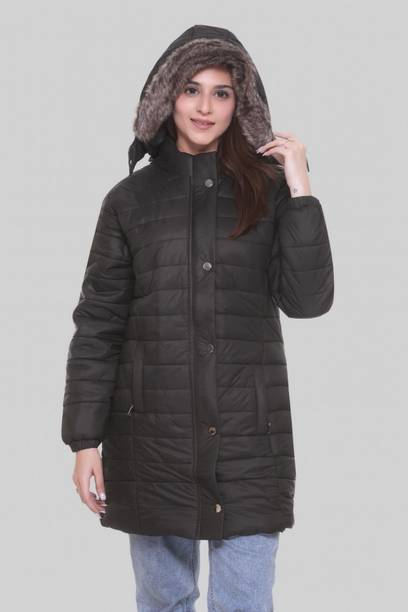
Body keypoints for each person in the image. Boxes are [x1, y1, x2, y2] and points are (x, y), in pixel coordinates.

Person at [61, 24, 334, 611]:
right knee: (164, 603)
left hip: (250, 443)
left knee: (244, 603)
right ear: (167, 97)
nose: (205, 107)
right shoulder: (128, 201)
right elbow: (99, 325)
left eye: (222, 92)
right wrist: (83, 441)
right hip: (150, 441)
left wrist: (300, 187)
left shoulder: (269, 192)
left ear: (242, 104)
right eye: (191, 89)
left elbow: (308, 301)